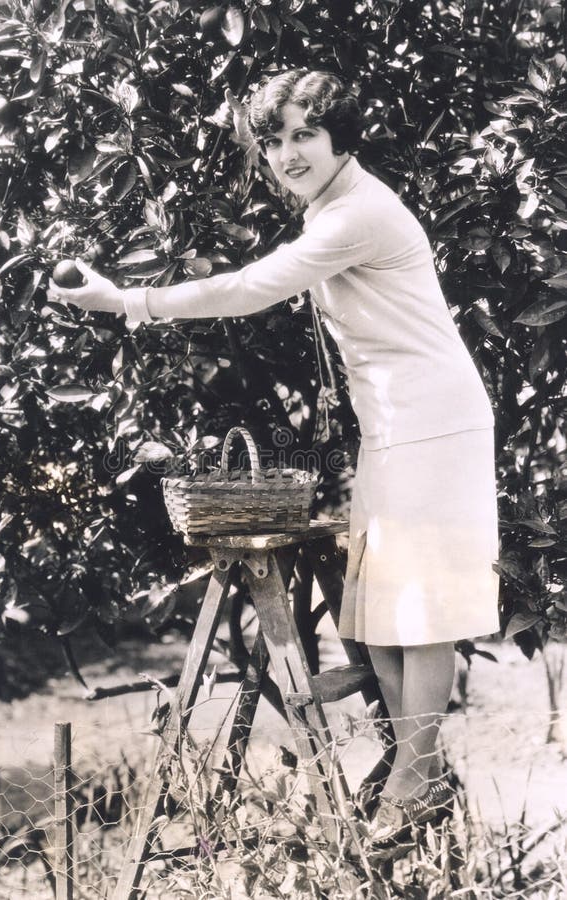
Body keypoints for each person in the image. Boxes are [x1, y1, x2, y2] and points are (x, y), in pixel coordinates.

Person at [48, 69, 500, 849]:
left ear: (340, 138)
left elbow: (252, 288)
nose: (288, 154)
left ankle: (412, 781)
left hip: (434, 424)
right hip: (400, 424)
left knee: (421, 615)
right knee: (385, 613)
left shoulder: (355, 214)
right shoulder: (335, 204)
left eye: (305, 135)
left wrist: (126, 302)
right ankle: (413, 776)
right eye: (274, 140)